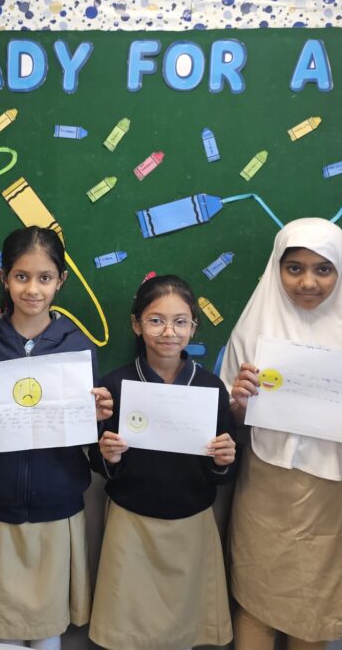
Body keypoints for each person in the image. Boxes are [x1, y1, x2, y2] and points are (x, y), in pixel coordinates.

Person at [0, 226, 111, 650]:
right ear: (4, 278)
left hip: (59, 503)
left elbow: (89, 435)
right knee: (5, 623)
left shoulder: (78, 348)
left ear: (61, 281)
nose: (32, 289)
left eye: (44, 278)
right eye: (21, 276)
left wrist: (98, 418)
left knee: (49, 625)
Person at [222, 218, 342, 649]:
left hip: (336, 493)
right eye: (294, 268)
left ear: (341, 269)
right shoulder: (253, 328)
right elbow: (226, 422)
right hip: (268, 484)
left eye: (323, 269)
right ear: (277, 268)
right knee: (257, 600)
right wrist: (238, 402)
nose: (308, 282)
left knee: (315, 610)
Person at [90, 274, 236, 650]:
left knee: (184, 633)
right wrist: (108, 455)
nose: (169, 332)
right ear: (136, 325)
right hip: (131, 524)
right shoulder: (115, 385)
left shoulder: (211, 388)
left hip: (191, 524)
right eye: (156, 320)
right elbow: (98, 460)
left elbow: (221, 472)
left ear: (194, 327)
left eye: (180, 321)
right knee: (127, 632)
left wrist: (223, 459)